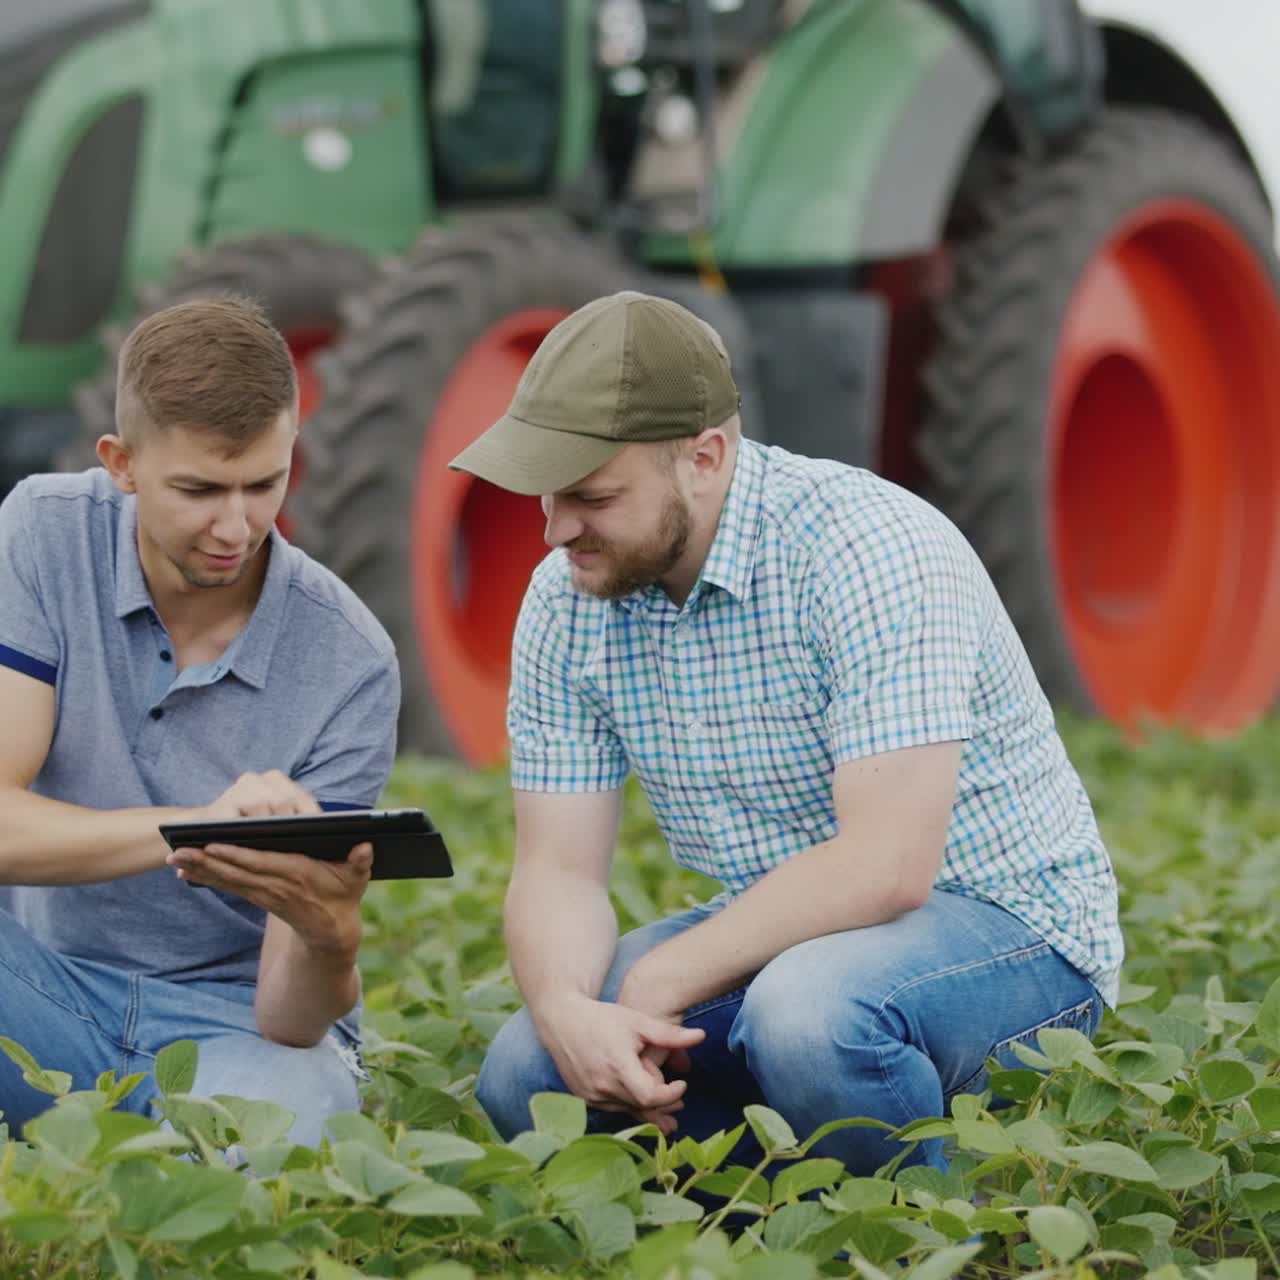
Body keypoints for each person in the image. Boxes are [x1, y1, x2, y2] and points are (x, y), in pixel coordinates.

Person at [454, 290, 1123, 1174]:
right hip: (787, 936)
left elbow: (885, 868)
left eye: (592, 495)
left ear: (703, 458)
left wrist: (656, 985)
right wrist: (568, 1011)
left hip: (1012, 933)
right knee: (526, 1074)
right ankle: (784, 1233)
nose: (555, 528)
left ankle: (924, 1243)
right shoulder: (569, 598)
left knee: (808, 1017)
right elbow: (557, 872)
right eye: (547, 494)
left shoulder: (867, 546)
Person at [0, 298, 399, 1143]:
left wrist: (329, 935)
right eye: (199, 489)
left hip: (234, 1028)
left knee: (285, 1136)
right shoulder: (44, 531)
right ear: (122, 463)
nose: (236, 526)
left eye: (264, 484)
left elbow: (291, 1017)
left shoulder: (350, 661)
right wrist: (196, 832)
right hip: (41, 991)